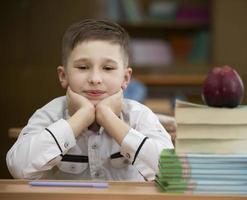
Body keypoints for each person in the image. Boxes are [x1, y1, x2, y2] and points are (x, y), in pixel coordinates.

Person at [6, 19, 173, 181]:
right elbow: (18, 168)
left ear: (125, 78)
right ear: (63, 76)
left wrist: (108, 117)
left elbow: (171, 172)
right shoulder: (49, 114)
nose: (95, 79)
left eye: (108, 68)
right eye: (82, 67)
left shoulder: (139, 116)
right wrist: (82, 116)